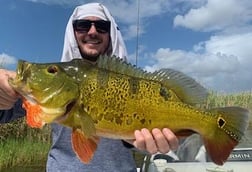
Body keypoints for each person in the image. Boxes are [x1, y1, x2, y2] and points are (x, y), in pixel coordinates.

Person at [0, 3, 178, 172]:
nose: (92, 31)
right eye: (83, 25)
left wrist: (144, 144)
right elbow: (3, 112)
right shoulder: (51, 83)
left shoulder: (132, 83)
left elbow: (143, 144)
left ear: (111, 34)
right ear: (72, 32)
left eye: (101, 26)